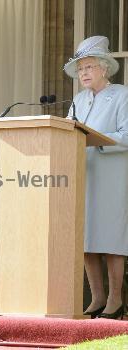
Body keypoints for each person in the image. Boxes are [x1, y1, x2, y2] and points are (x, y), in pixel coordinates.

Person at [64, 36, 128, 319]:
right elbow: (68, 133)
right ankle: (97, 298)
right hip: (83, 175)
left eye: (89, 67)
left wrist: (98, 140)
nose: (84, 73)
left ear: (104, 68)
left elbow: (127, 136)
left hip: (112, 178)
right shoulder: (78, 99)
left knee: (112, 239)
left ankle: (116, 299)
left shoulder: (123, 95)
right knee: (86, 238)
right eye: (80, 69)